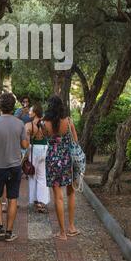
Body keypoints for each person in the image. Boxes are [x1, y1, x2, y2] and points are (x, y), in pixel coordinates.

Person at [0, 92, 29, 242]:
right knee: (12, 198)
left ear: (0, 106)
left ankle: (0, 228)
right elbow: (25, 144)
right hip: (15, 166)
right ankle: (9, 233)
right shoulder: (20, 124)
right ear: (13, 107)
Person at [43, 95, 80, 241]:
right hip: (67, 160)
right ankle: (72, 227)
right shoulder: (69, 121)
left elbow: (46, 138)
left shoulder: (44, 123)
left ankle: (62, 233)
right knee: (71, 193)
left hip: (52, 159)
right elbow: (75, 141)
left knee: (58, 196)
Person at [25, 103, 50, 213]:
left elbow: (26, 144)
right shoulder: (45, 124)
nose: (29, 112)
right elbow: (49, 135)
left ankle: (35, 200)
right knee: (42, 176)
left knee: (32, 175)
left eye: (30, 111)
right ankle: (42, 202)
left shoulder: (29, 125)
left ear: (35, 113)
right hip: (45, 149)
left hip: (34, 150)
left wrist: (24, 157)